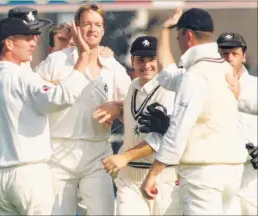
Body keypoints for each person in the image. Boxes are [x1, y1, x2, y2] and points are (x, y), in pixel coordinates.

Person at [0, 16, 92, 215]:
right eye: (26, 38)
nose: (33, 42)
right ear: (9, 43)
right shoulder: (25, 78)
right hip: (28, 176)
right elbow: (61, 96)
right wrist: (83, 57)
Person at [140, 8, 248, 215]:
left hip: (203, 173)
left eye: (177, 35)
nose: (178, 42)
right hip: (233, 171)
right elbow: (168, 76)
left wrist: (152, 174)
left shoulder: (196, 75)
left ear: (187, 35)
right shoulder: (224, 69)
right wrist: (164, 31)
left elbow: (179, 129)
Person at [35, 4, 131, 215]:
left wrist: (117, 107)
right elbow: (33, 96)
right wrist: (51, 86)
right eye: (86, 24)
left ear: (103, 30)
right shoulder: (56, 60)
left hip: (97, 155)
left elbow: (133, 106)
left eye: (97, 25)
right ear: (76, 27)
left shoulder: (112, 65)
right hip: (57, 155)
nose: (92, 29)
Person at [95, 36, 181, 215]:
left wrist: (125, 157)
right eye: (141, 60)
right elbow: (136, 120)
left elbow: (160, 137)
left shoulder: (169, 90)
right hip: (129, 179)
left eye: (151, 59)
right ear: (133, 61)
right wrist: (116, 108)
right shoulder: (133, 86)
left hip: (163, 179)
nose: (146, 65)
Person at [217, 32, 257, 215]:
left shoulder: (256, 86)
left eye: (234, 53)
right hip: (221, 173)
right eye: (224, 54)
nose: (229, 59)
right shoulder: (205, 87)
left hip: (253, 176)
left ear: (244, 55)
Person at [0, 7, 52, 76]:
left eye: (36, 31)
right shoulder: (7, 64)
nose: (35, 38)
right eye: (28, 34)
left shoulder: (21, 57)